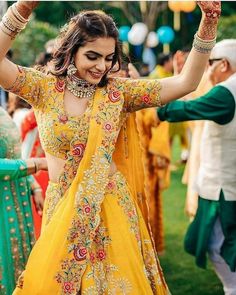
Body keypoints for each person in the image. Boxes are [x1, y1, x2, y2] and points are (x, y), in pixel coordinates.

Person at [0, 1, 220, 293]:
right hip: (63, 208)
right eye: (92, 56)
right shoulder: (42, 88)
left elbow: (186, 83)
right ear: (71, 49)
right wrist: (22, 8)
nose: (102, 66)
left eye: (108, 58)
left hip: (110, 208)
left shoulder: (118, 93)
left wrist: (209, 23)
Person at [156, 39, 236, 295]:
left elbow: (183, 110)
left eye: (210, 64)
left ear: (223, 64)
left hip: (223, 186)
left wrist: (149, 106)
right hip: (224, 181)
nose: (206, 70)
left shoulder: (227, 92)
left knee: (218, 244)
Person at [0, 107, 47, 295]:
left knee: (21, 266)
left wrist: (33, 184)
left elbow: (12, 154)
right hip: (3, 208)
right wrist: (36, 164)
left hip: (18, 201)